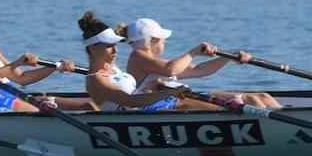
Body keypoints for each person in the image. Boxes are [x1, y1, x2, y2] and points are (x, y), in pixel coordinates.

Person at [120, 17, 281, 109]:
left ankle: (290, 126)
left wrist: (228, 57)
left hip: (175, 98)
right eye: (162, 38)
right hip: (156, 106)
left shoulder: (155, 63)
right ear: (149, 43)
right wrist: (194, 52)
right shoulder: (137, 56)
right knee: (230, 107)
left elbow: (200, 70)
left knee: (261, 97)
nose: (164, 41)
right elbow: (170, 70)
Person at [77, 12, 191, 112]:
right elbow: (130, 101)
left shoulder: (112, 67)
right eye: (108, 46)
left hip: (144, 107)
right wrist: (170, 93)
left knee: (195, 102)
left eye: (115, 45)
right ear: (93, 48)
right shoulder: (96, 79)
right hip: (133, 114)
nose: (115, 50)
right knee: (186, 105)